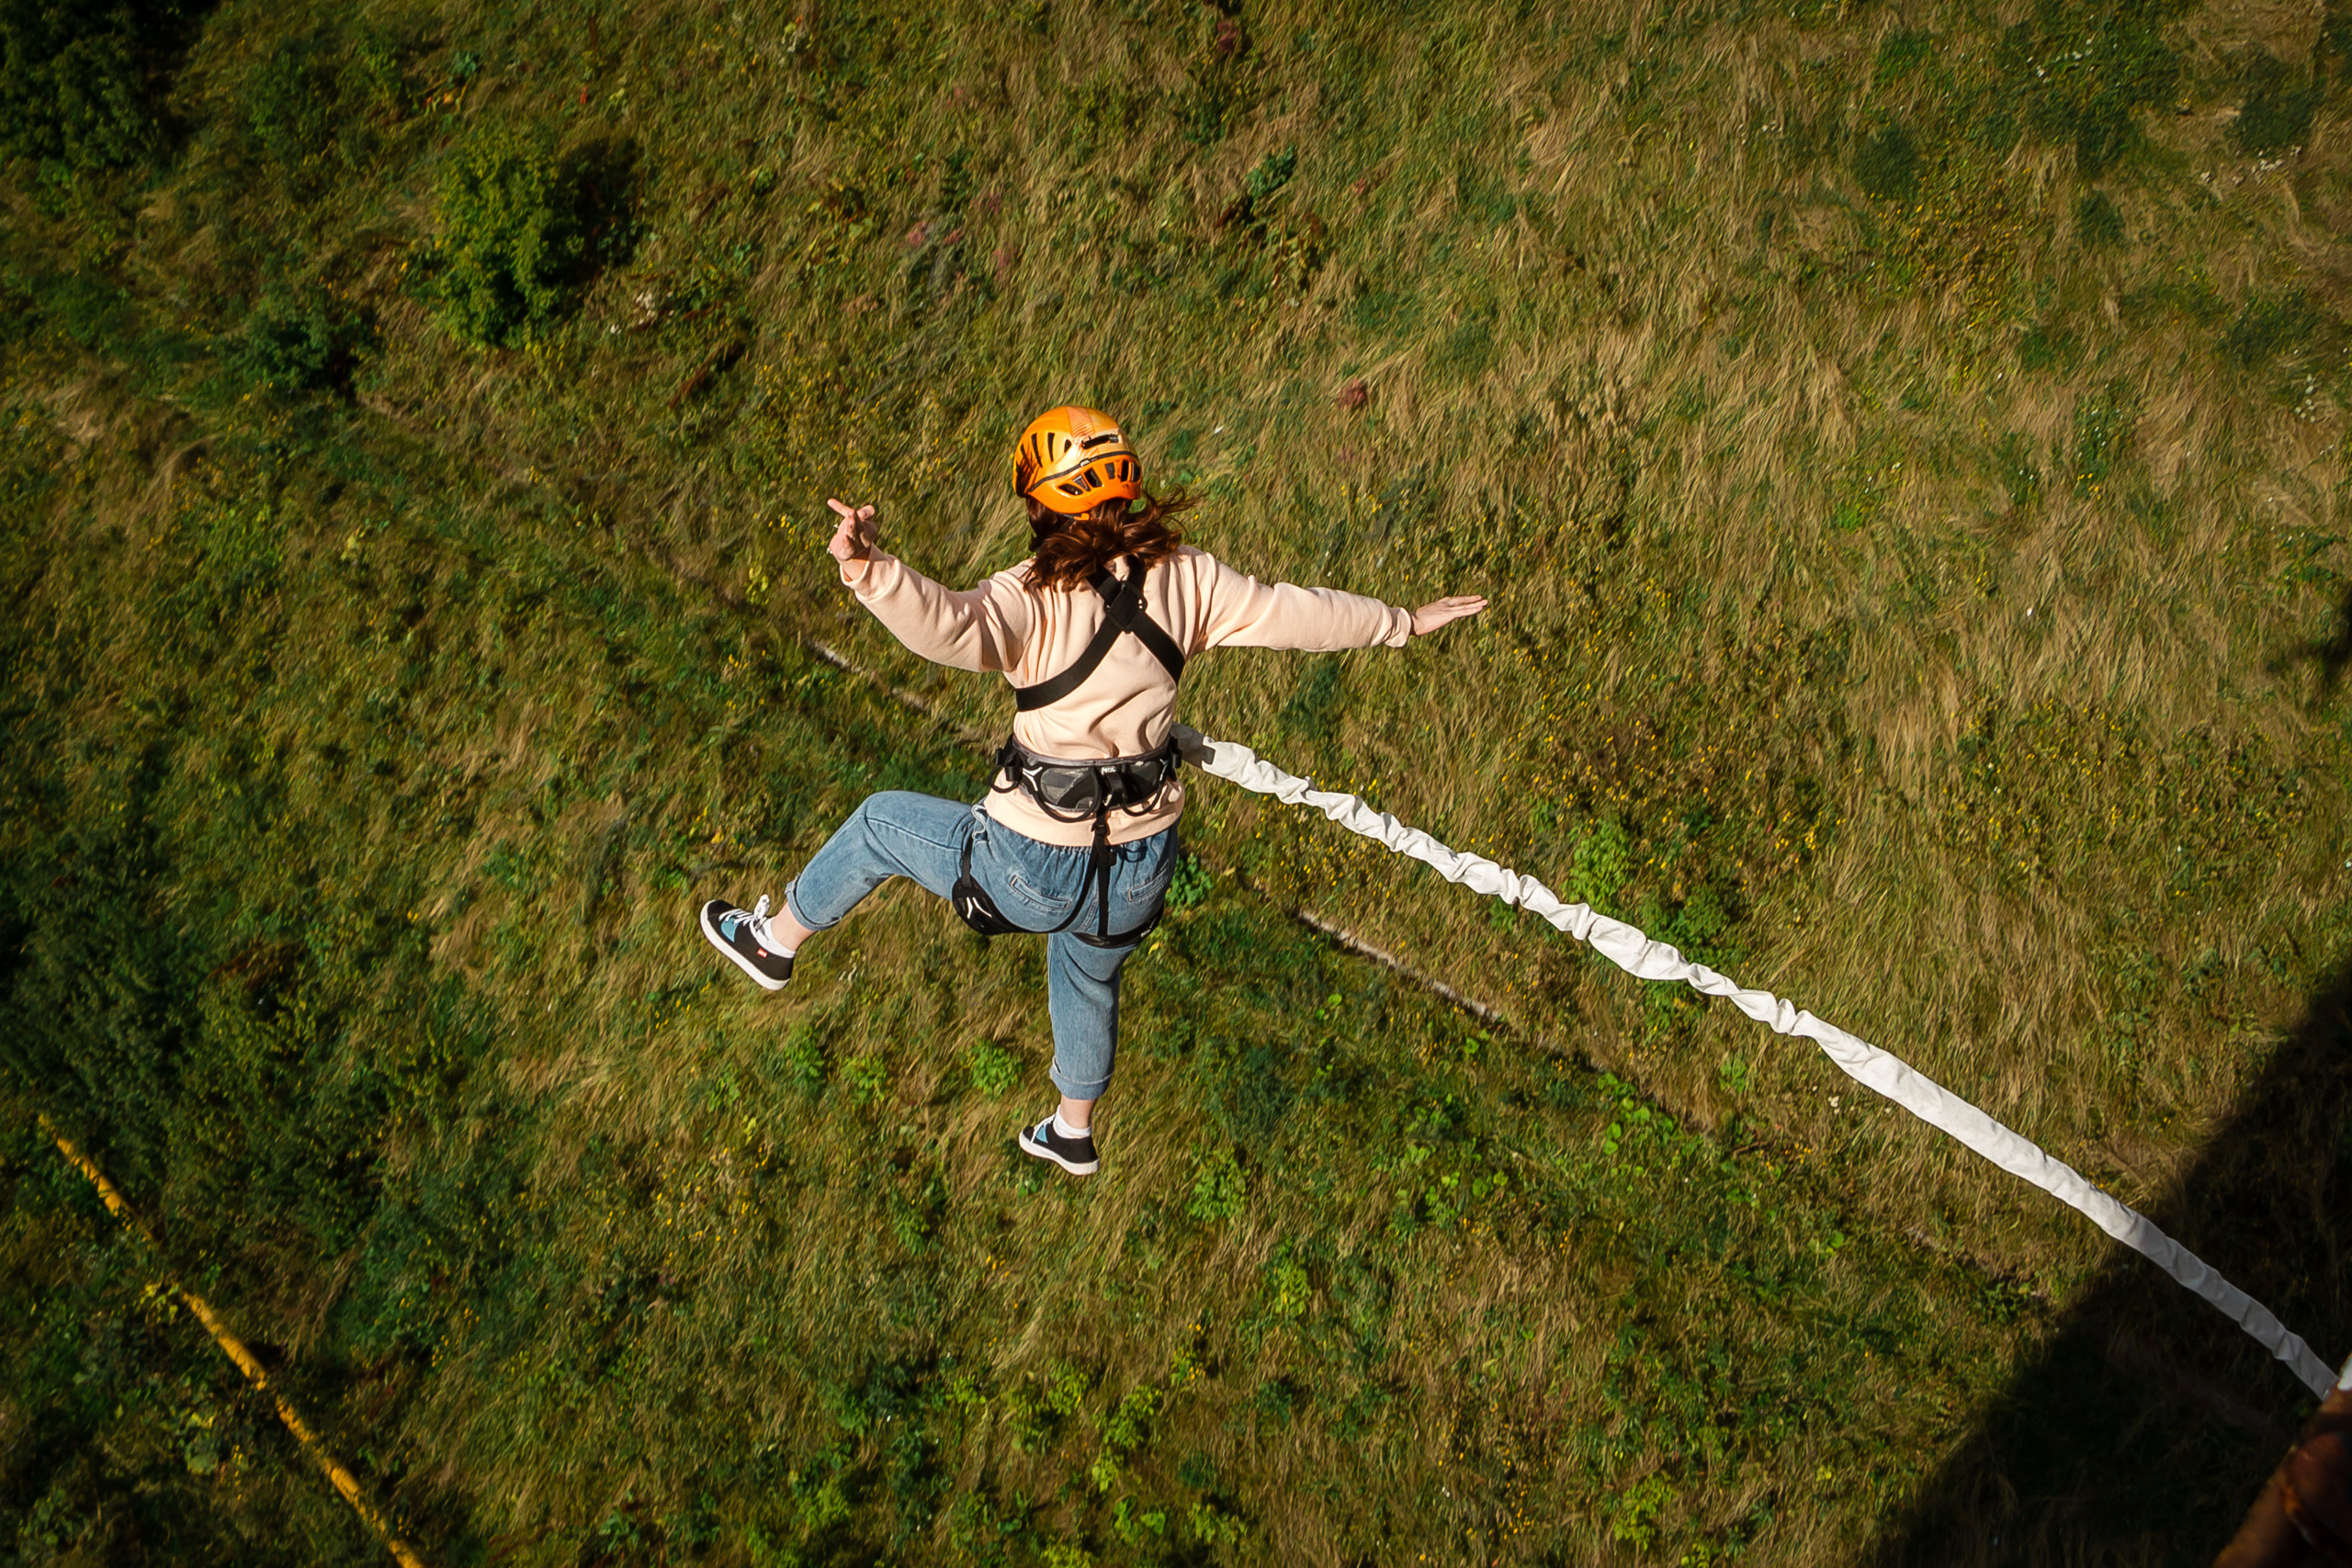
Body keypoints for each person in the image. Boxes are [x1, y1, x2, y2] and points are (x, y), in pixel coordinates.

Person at [699, 405, 1486, 1176]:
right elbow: (1296, 613)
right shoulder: (1189, 578)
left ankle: (775, 943)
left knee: (878, 824)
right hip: (1139, 868)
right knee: (1088, 970)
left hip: (1029, 864)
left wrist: (868, 568)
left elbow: (947, 624)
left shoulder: (1030, 595)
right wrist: (1402, 621)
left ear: (1045, 505)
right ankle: (1072, 1129)